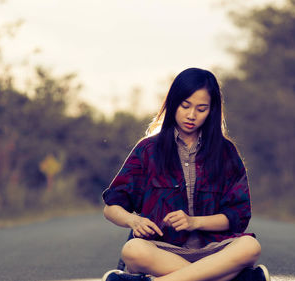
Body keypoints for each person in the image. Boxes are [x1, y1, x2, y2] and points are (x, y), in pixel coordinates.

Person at [101, 68, 269, 281]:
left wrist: (194, 222)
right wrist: (133, 221)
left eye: (201, 109)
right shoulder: (148, 150)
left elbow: (238, 215)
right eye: (185, 106)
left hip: (215, 251)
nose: (191, 115)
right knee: (133, 250)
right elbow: (111, 207)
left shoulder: (226, 152)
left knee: (250, 246)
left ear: (212, 111)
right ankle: (232, 278)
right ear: (173, 104)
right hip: (164, 251)